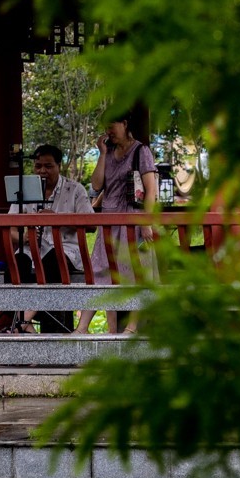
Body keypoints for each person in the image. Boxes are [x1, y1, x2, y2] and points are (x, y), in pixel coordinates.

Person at [0, 144, 94, 334]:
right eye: (38, 166)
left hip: (65, 250)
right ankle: (28, 329)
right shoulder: (24, 190)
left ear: (60, 166)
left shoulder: (75, 190)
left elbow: (91, 224)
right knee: (15, 265)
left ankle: (23, 321)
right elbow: (10, 229)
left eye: (48, 166)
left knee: (52, 262)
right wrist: (24, 236)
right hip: (31, 249)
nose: (43, 171)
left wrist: (59, 220)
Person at [90, 115, 159, 333]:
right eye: (105, 127)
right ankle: (111, 329)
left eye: (112, 126)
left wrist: (147, 222)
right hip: (109, 221)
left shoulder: (141, 151)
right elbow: (97, 184)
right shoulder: (108, 152)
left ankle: (132, 326)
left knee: (138, 272)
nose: (109, 131)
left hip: (133, 219)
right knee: (103, 272)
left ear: (125, 124)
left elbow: (151, 190)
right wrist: (102, 154)